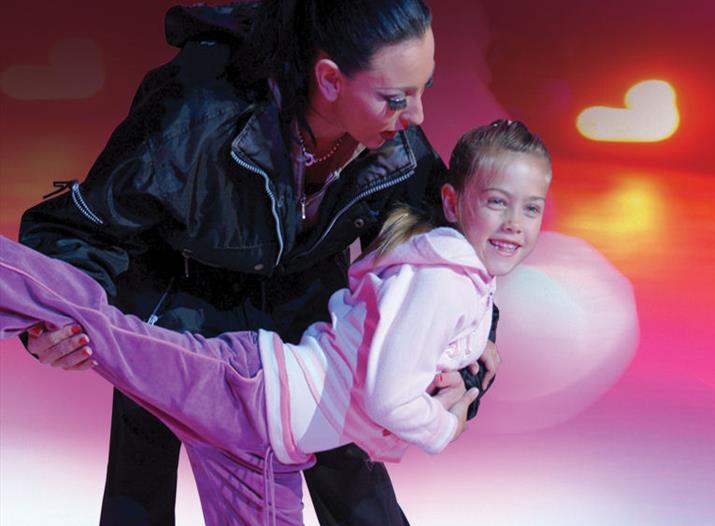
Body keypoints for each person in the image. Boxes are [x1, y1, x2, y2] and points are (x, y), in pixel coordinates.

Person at [18, 1, 499, 524]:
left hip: (308, 318)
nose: (417, 115)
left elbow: (448, 257)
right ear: (331, 79)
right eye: (395, 97)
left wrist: (471, 363)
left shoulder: (400, 144)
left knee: (362, 497)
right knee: (140, 489)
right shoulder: (193, 110)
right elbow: (78, 227)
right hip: (178, 306)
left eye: (424, 88)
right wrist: (52, 324)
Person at [1, 120, 551, 526]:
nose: (410, 109)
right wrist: (441, 427)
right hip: (248, 382)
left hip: (275, 439)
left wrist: (475, 370)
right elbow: (390, 393)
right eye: (500, 203)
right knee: (104, 332)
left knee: (106, 334)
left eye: (532, 208)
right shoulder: (445, 276)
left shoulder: (450, 252)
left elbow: (453, 311)